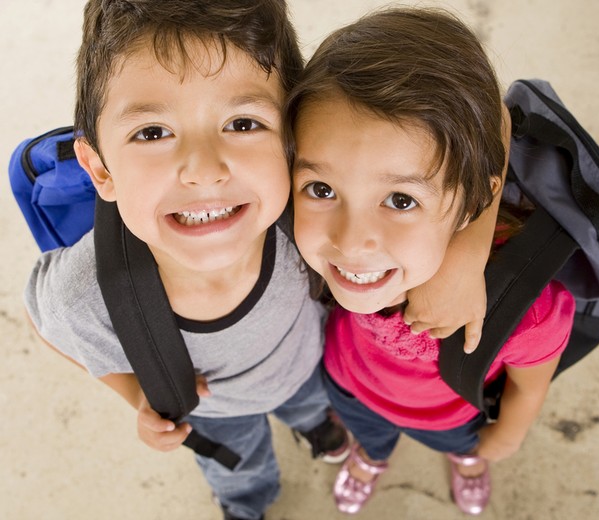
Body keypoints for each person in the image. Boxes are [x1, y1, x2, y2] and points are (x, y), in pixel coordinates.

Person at [23, 2, 352, 519]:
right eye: (152, 132)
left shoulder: (310, 219)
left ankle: (316, 427)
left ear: (292, 139)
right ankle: (248, 506)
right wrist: (136, 394)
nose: (204, 170)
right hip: (213, 411)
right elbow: (49, 321)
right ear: (100, 169)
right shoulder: (87, 291)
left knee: (310, 403)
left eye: (243, 122)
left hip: (303, 365)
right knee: (239, 469)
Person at [285, 6, 576, 516]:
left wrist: (505, 437)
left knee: (465, 451)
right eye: (322, 188)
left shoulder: (527, 310)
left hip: (453, 418)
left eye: (401, 200)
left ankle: (465, 465)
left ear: (474, 201)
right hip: (349, 384)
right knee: (370, 438)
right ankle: (371, 458)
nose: (352, 242)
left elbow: (529, 388)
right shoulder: (290, 222)